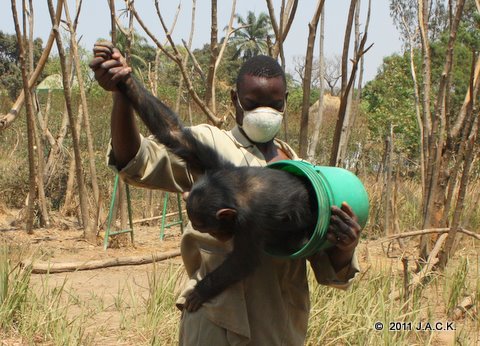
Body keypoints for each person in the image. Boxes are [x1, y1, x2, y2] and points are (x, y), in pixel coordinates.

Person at [90, 43, 361, 345]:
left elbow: (324, 267)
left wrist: (345, 246)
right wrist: (125, 90)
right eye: (252, 102)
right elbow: (145, 149)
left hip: (280, 329)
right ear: (235, 99)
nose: (264, 112)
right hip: (215, 329)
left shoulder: (304, 174)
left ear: (286, 101)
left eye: (274, 104)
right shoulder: (215, 148)